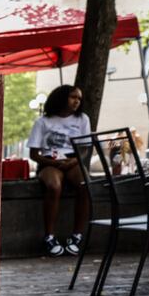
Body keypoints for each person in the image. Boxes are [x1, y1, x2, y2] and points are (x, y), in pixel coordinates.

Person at [27, 85, 92, 257]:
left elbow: (85, 148)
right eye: (72, 97)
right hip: (49, 162)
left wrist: (74, 160)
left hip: (73, 160)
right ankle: (49, 236)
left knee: (85, 184)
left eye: (79, 98)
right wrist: (52, 163)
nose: (76, 101)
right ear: (61, 98)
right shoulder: (43, 122)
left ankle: (77, 235)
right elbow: (33, 154)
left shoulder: (82, 119)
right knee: (54, 186)